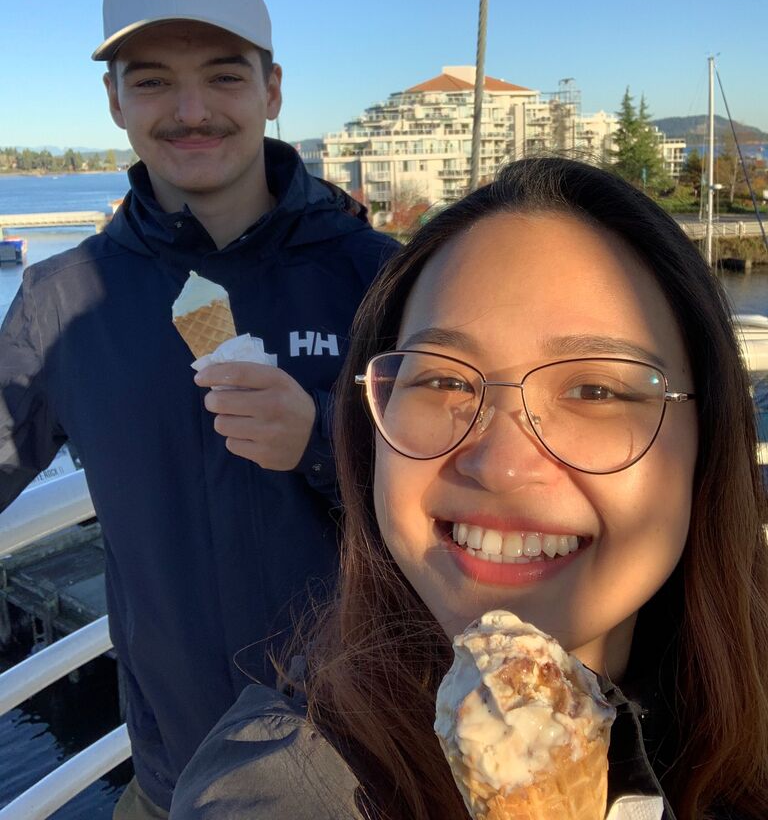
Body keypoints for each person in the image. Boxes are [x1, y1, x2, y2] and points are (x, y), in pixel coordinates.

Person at [170, 156, 768, 820]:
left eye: (596, 389)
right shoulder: (290, 786)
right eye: (444, 380)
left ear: (708, 441)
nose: (501, 465)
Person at [0, 0, 398, 818]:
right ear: (115, 101)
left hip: (371, 775)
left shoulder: (381, 278)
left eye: (223, 76)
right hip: (174, 779)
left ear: (272, 89)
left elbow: (470, 474)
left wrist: (327, 437)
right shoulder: (58, 303)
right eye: (150, 82)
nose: (189, 111)